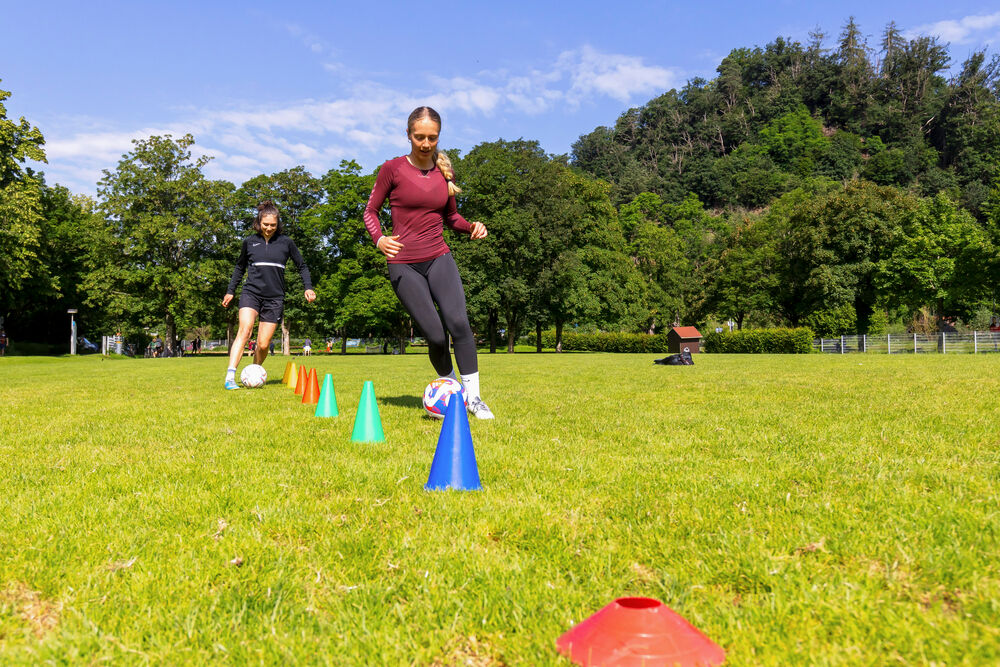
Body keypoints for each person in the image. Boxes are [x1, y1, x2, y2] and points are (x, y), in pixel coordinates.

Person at [364, 106, 494, 418]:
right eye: (419, 137)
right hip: (403, 263)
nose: (425, 143)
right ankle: (451, 388)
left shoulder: (443, 173)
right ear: (408, 135)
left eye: (432, 138)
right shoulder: (392, 170)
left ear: (439, 137)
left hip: (439, 256)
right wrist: (379, 239)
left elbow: (451, 217)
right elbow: (370, 211)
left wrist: (471, 227)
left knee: (459, 323)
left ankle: (474, 398)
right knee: (436, 335)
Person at [222, 200, 316, 389]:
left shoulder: (286, 243)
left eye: (273, 225)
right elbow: (239, 267)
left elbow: (302, 266)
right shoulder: (249, 242)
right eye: (265, 224)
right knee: (245, 330)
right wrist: (230, 291)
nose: (269, 228)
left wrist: (308, 287)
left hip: (275, 297)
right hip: (251, 293)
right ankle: (230, 377)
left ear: (278, 224)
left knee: (263, 344)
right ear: (259, 222)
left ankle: (254, 372)